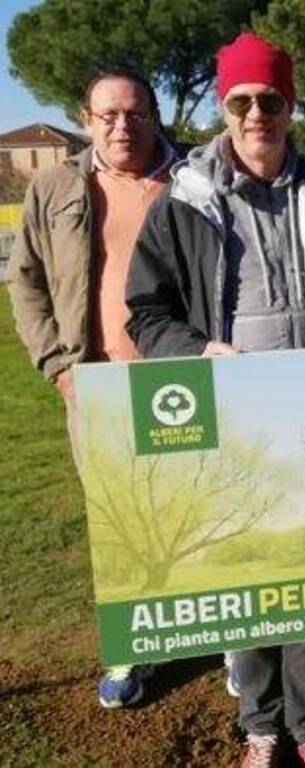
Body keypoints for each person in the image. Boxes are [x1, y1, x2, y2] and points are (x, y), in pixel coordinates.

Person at [125, 32, 305, 768]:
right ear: (223, 105)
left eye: (269, 99)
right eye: (240, 101)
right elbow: (146, 312)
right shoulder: (183, 200)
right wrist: (198, 351)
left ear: (290, 104)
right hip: (230, 414)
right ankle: (259, 724)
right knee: (244, 572)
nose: (255, 114)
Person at [7, 67, 177, 710]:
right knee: (118, 525)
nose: (121, 126)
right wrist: (57, 362)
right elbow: (26, 281)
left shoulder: (192, 179)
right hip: (97, 383)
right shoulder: (55, 186)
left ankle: (219, 640)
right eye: (107, 115)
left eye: (134, 113)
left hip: (185, 377)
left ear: (154, 116)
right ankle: (130, 649)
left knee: (196, 512)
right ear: (85, 118)